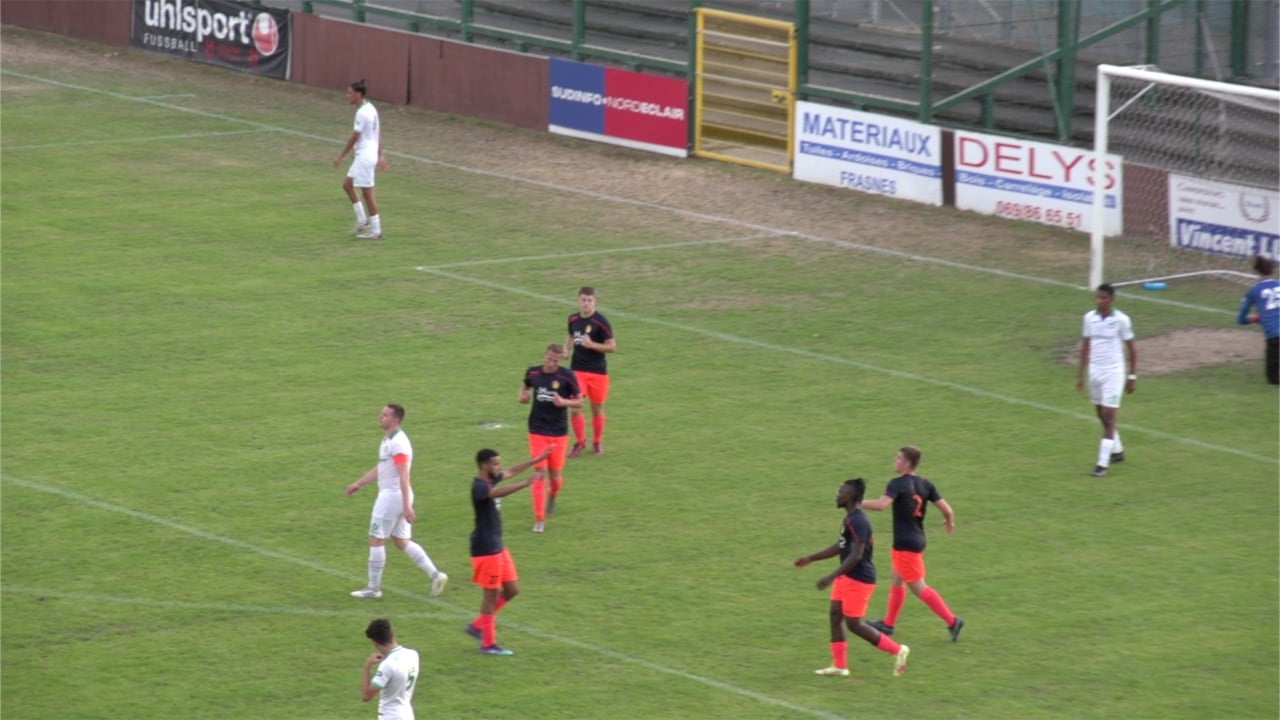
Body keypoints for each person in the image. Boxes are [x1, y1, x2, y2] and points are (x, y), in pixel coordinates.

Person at [795, 477, 910, 678]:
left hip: (859, 578)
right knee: (835, 615)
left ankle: (898, 650)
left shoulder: (859, 520)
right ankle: (840, 666)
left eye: (841, 491)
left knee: (854, 624)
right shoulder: (850, 518)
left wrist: (830, 576)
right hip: (847, 576)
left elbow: (856, 554)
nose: (837, 494)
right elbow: (840, 546)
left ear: (852, 496)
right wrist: (811, 558)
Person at [861, 446, 964, 642]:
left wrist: (857, 502)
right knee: (896, 578)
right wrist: (949, 521)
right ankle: (888, 624)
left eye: (898, 458)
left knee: (918, 587)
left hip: (905, 544)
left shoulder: (897, 484)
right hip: (916, 539)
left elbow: (881, 505)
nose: (895, 460)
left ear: (907, 463)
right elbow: (947, 510)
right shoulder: (926, 484)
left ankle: (952, 621)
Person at [346, 404, 448, 599]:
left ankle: (373, 588)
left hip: (391, 497)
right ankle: (436, 575)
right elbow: (381, 468)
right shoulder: (389, 439)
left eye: (385, 415)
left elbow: (404, 475)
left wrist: (407, 506)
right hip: (398, 496)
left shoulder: (399, 443)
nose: (380, 417)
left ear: (395, 420)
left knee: (376, 538)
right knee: (401, 541)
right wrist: (359, 483)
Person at [464, 446, 552, 656]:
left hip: (497, 546)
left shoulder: (490, 478)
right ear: (484, 465)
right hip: (485, 549)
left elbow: (511, 471)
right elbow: (494, 493)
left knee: (512, 590)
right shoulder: (479, 486)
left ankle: (477, 625)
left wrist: (536, 459)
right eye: (495, 463)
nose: (499, 467)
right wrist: (525, 483)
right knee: (490, 595)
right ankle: (488, 643)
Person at [1075, 283, 1137, 477]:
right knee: (1101, 414)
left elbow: (1132, 349)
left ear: (1111, 300)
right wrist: (1080, 375)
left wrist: (1132, 376)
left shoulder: (1121, 320)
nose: (1099, 301)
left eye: (1103, 298)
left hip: (1114, 372)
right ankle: (1117, 451)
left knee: (1109, 416)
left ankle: (1102, 464)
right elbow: (1086, 345)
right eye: (1097, 297)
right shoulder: (1089, 318)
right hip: (1095, 371)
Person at [519, 343, 582, 533]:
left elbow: (579, 401)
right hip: (537, 430)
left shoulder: (567, 376)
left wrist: (564, 402)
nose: (551, 363)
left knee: (555, 476)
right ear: (544, 355)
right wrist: (523, 395)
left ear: (561, 359)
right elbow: (525, 386)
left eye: (556, 360)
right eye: (549, 359)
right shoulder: (533, 373)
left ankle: (553, 494)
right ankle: (539, 518)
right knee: (539, 473)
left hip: (558, 433)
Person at [564, 286, 616, 457]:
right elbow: (571, 336)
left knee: (597, 407)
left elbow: (612, 346)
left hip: (598, 372)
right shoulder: (573, 319)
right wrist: (566, 349)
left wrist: (592, 345)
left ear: (595, 301)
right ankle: (580, 442)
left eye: (589, 300)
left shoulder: (601, 322)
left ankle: (597, 442)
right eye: (583, 300)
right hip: (577, 370)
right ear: (578, 300)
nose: (586, 303)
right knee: (575, 406)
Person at [333, 78, 387, 240]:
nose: (347, 95)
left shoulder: (362, 113)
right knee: (347, 185)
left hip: (364, 156)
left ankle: (376, 230)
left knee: (367, 193)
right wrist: (381, 154)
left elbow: (354, 138)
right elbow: (378, 133)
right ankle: (362, 220)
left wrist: (340, 156)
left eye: (350, 93)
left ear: (358, 94)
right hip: (367, 154)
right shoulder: (371, 108)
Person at [360, 617, 419, 719]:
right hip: (407, 714)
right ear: (393, 633)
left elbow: (367, 696)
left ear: (374, 642)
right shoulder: (413, 654)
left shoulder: (387, 665)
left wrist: (367, 666)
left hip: (391, 716)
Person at [1237, 255, 1279, 385]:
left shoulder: (1253, 291)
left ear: (1257, 272)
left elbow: (1241, 319)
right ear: (1273, 271)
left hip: (1274, 337)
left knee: (1273, 380)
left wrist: (1257, 318)